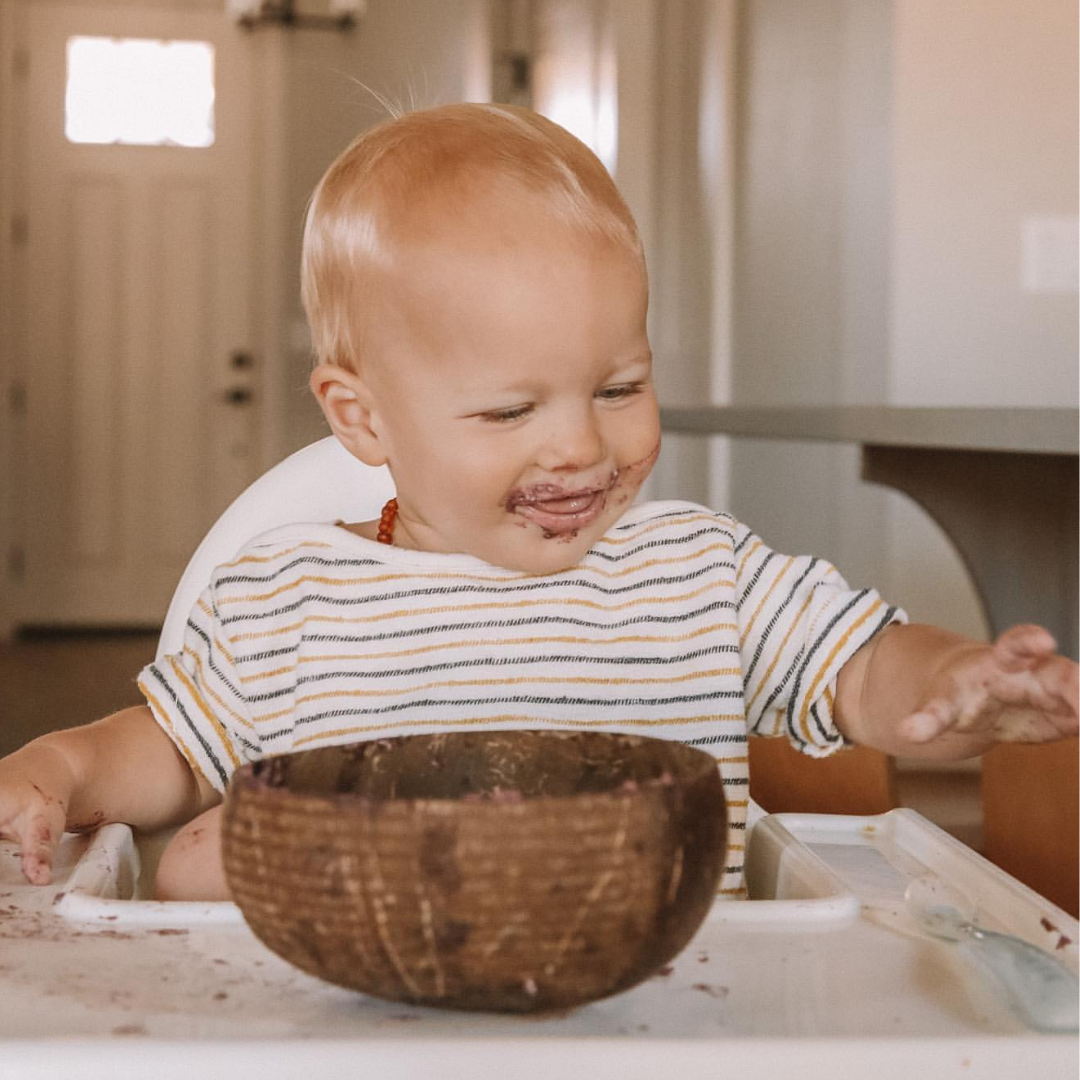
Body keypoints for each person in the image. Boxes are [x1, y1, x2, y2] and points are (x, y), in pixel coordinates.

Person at [1, 104, 1076, 903]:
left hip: (665, 1019)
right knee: (205, 857)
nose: (580, 445)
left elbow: (864, 672)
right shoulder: (289, 599)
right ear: (363, 419)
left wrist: (955, 686)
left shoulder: (702, 577)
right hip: (344, 1028)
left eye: (620, 389)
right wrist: (59, 768)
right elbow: (172, 750)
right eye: (510, 411)